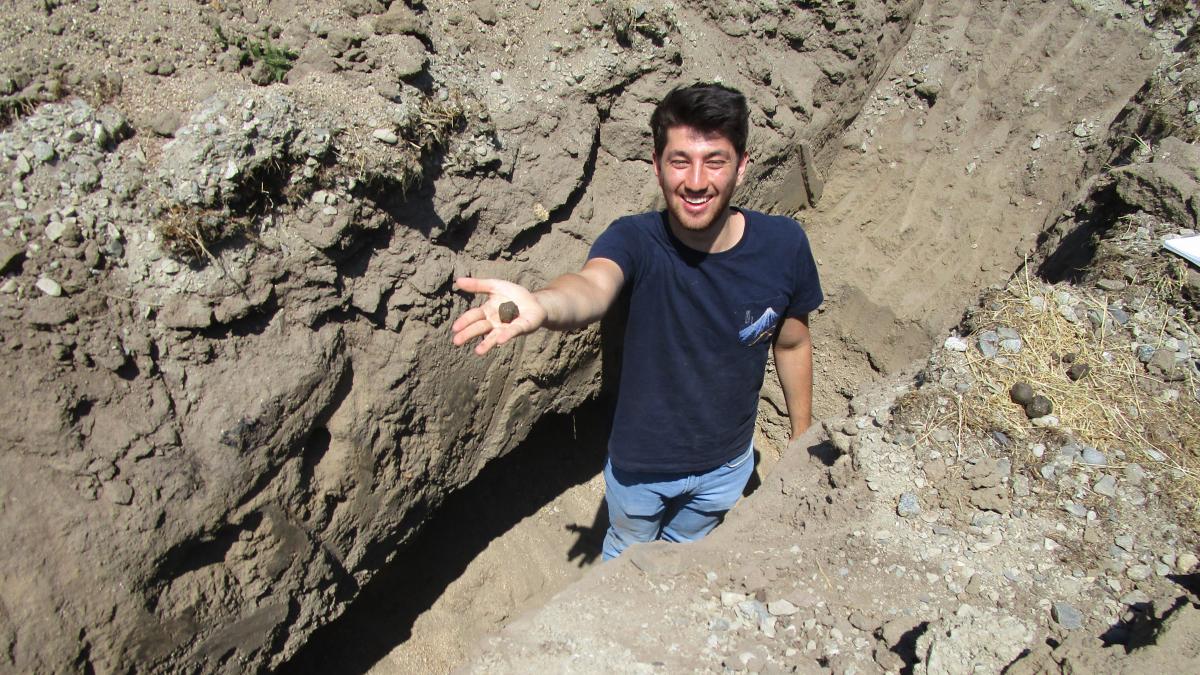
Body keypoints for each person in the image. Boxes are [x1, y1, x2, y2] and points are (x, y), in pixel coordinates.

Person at [451, 82, 823, 560]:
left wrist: (801, 439)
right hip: (641, 471)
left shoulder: (784, 245)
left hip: (728, 466)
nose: (695, 180)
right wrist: (542, 305)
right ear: (657, 165)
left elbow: (792, 345)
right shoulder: (635, 241)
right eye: (680, 160)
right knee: (626, 556)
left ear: (742, 165)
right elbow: (590, 288)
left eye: (714, 161)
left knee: (685, 549)